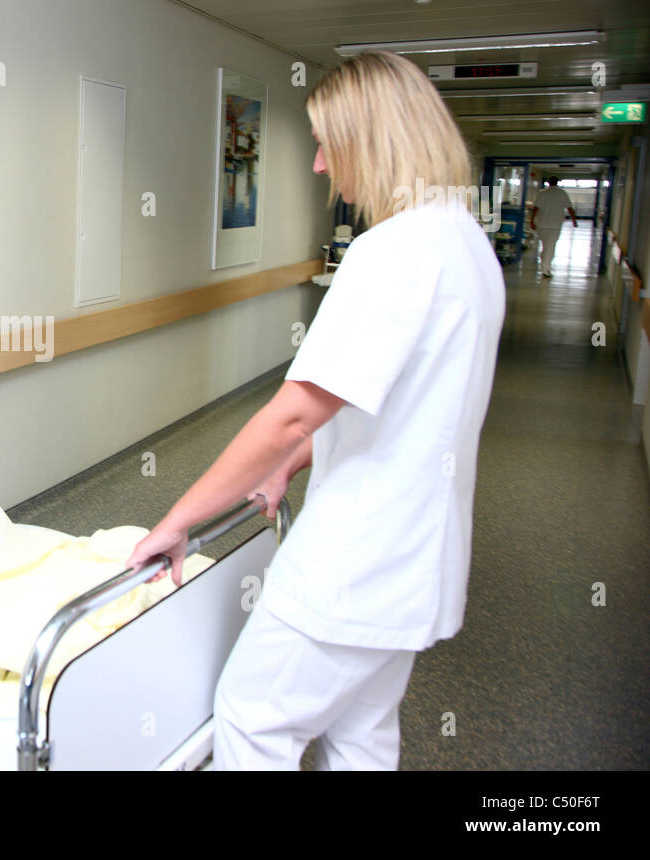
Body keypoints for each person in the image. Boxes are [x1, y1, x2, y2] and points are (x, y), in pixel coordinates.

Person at [128, 51, 505, 770]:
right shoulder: (464, 244)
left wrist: (178, 523)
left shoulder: (390, 253)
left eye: (329, 144)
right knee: (359, 736)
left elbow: (293, 416)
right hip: (417, 562)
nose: (321, 166)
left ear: (373, 140)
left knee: (251, 719)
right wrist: (292, 464)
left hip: (358, 564)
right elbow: (389, 402)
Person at [528, 176, 578, 277]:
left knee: (547, 246)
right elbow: (569, 208)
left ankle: (545, 264)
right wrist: (574, 220)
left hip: (542, 225)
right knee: (550, 247)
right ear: (557, 182)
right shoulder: (562, 193)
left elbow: (536, 209)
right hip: (555, 225)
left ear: (548, 182)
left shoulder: (542, 193)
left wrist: (532, 221)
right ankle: (545, 269)